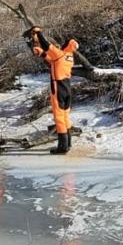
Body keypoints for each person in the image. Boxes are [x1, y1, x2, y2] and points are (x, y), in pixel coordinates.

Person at [29, 26, 78, 155]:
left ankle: (62, 147)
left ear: (66, 45)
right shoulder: (69, 57)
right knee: (66, 116)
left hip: (58, 88)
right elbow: (53, 61)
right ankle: (68, 143)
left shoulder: (60, 54)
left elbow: (47, 45)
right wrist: (42, 53)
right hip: (67, 88)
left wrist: (39, 33)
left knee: (59, 118)